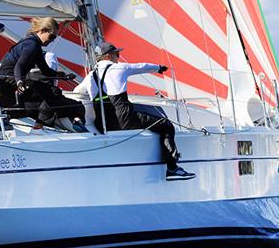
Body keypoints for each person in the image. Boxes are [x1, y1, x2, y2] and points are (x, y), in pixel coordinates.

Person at [81, 41, 195, 181]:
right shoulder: (118, 68)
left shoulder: (89, 76)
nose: (119, 56)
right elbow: (141, 66)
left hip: (103, 123)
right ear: (108, 56)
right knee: (166, 125)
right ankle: (172, 167)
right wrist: (158, 67)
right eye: (117, 54)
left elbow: (77, 92)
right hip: (124, 119)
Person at [0, 17, 84, 129]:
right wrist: (19, 82)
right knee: (53, 92)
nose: (53, 40)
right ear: (42, 31)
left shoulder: (32, 44)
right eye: (52, 36)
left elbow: (45, 70)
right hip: (8, 81)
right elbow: (19, 67)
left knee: (46, 92)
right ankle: (41, 124)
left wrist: (62, 76)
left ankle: (24, 118)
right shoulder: (32, 45)